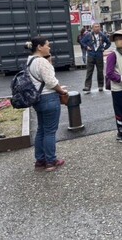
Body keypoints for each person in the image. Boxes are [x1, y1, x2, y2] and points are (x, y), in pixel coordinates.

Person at [25, 37, 68, 172]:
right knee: (50, 131)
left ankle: (40, 161)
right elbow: (51, 82)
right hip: (49, 98)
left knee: (41, 130)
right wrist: (62, 90)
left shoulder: (30, 60)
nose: (49, 48)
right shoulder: (42, 62)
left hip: (38, 99)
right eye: (47, 46)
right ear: (39, 47)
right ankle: (51, 161)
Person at [81, 23, 111, 94]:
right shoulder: (88, 35)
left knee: (100, 71)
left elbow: (108, 43)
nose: (97, 28)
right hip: (91, 55)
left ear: (100, 28)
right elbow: (82, 42)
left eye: (98, 27)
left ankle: (100, 86)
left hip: (99, 55)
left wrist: (104, 48)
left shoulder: (102, 35)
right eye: (95, 27)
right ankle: (87, 87)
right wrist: (86, 47)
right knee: (89, 71)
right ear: (92, 28)